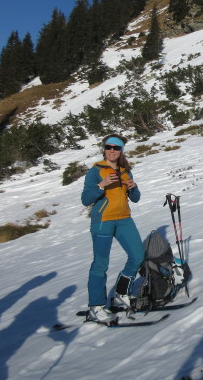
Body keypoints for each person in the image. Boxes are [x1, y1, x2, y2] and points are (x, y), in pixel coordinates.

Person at [81, 134, 144, 323]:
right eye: (109, 147)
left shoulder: (126, 171)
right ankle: (96, 306)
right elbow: (85, 200)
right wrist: (102, 185)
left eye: (116, 148)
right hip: (103, 221)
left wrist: (133, 187)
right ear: (104, 149)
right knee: (100, 264)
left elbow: (136, 198)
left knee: (138, 256)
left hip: (124, 219)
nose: (112, 151)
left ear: (121, 151)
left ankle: (121, 292)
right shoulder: (95, 172)